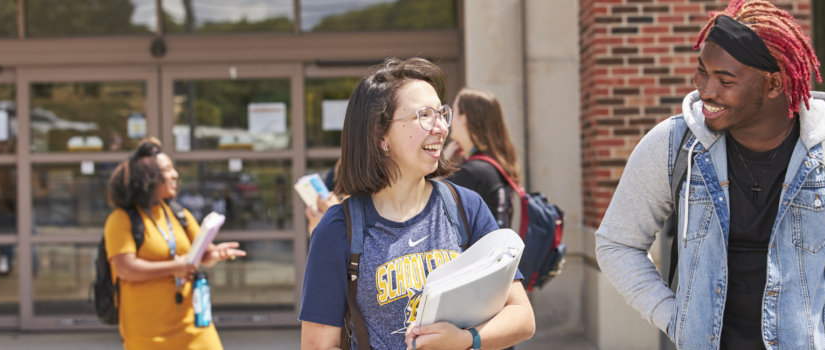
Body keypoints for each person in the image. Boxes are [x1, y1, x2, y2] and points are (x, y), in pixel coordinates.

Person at [595, 1, 825, 349]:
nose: (706, 90)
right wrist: (674, 317)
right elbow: (617, 243)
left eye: (725, 79)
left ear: (775, 85)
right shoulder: (674, 145)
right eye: (702, 71)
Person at [299, 58, 536, 350]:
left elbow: (522, 316)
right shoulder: (338, 229)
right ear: (380, 134)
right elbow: (318, 346)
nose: (441, 128)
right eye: (424, 115)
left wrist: (466, 340)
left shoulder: (466, 207)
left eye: (441, 114)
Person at [103, 138, 246, 349]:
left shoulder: (179, 214)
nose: (175, 175)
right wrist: (175, 268)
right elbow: (126, 269)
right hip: (148, 331)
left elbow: (202, 254)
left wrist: (214, 254)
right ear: (148, 177)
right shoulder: (121, 219)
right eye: (167, 169)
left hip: (194, 325)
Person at [445, 88, 521, 229]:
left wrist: (442, 165)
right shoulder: (491, 166)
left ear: (464, 118)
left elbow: (425, 208)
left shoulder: (473, 173)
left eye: (453, 111)